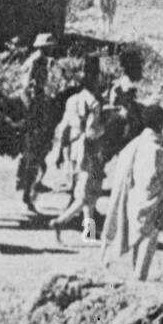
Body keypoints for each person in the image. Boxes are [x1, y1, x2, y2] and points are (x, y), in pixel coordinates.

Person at [99, 104, 163, 280]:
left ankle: (138, 271)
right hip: (151, 197)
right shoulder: (156, 146)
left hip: (136, 195)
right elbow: (158, 172)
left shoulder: (137, 142)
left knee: (140, 234)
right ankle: (140, 275)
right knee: (149, 236)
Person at [50, 59, 106, 242]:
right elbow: (91, 132)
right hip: (87, 149)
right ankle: (60, 221)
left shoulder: (72, 100)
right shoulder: (94, 104)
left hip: (73, 149)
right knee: (86, 194)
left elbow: (64, 128)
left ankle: (89, 231)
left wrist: (60, 152)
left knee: (86, 192)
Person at [17, 33, 57, 194]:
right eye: (49, 47)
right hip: (31, 99)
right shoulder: (36, 61)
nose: (51, 49)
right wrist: (32, 102)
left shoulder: (41, 60)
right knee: (36, 134)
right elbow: (27, 84)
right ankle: (25, 177)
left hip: (37, 97)